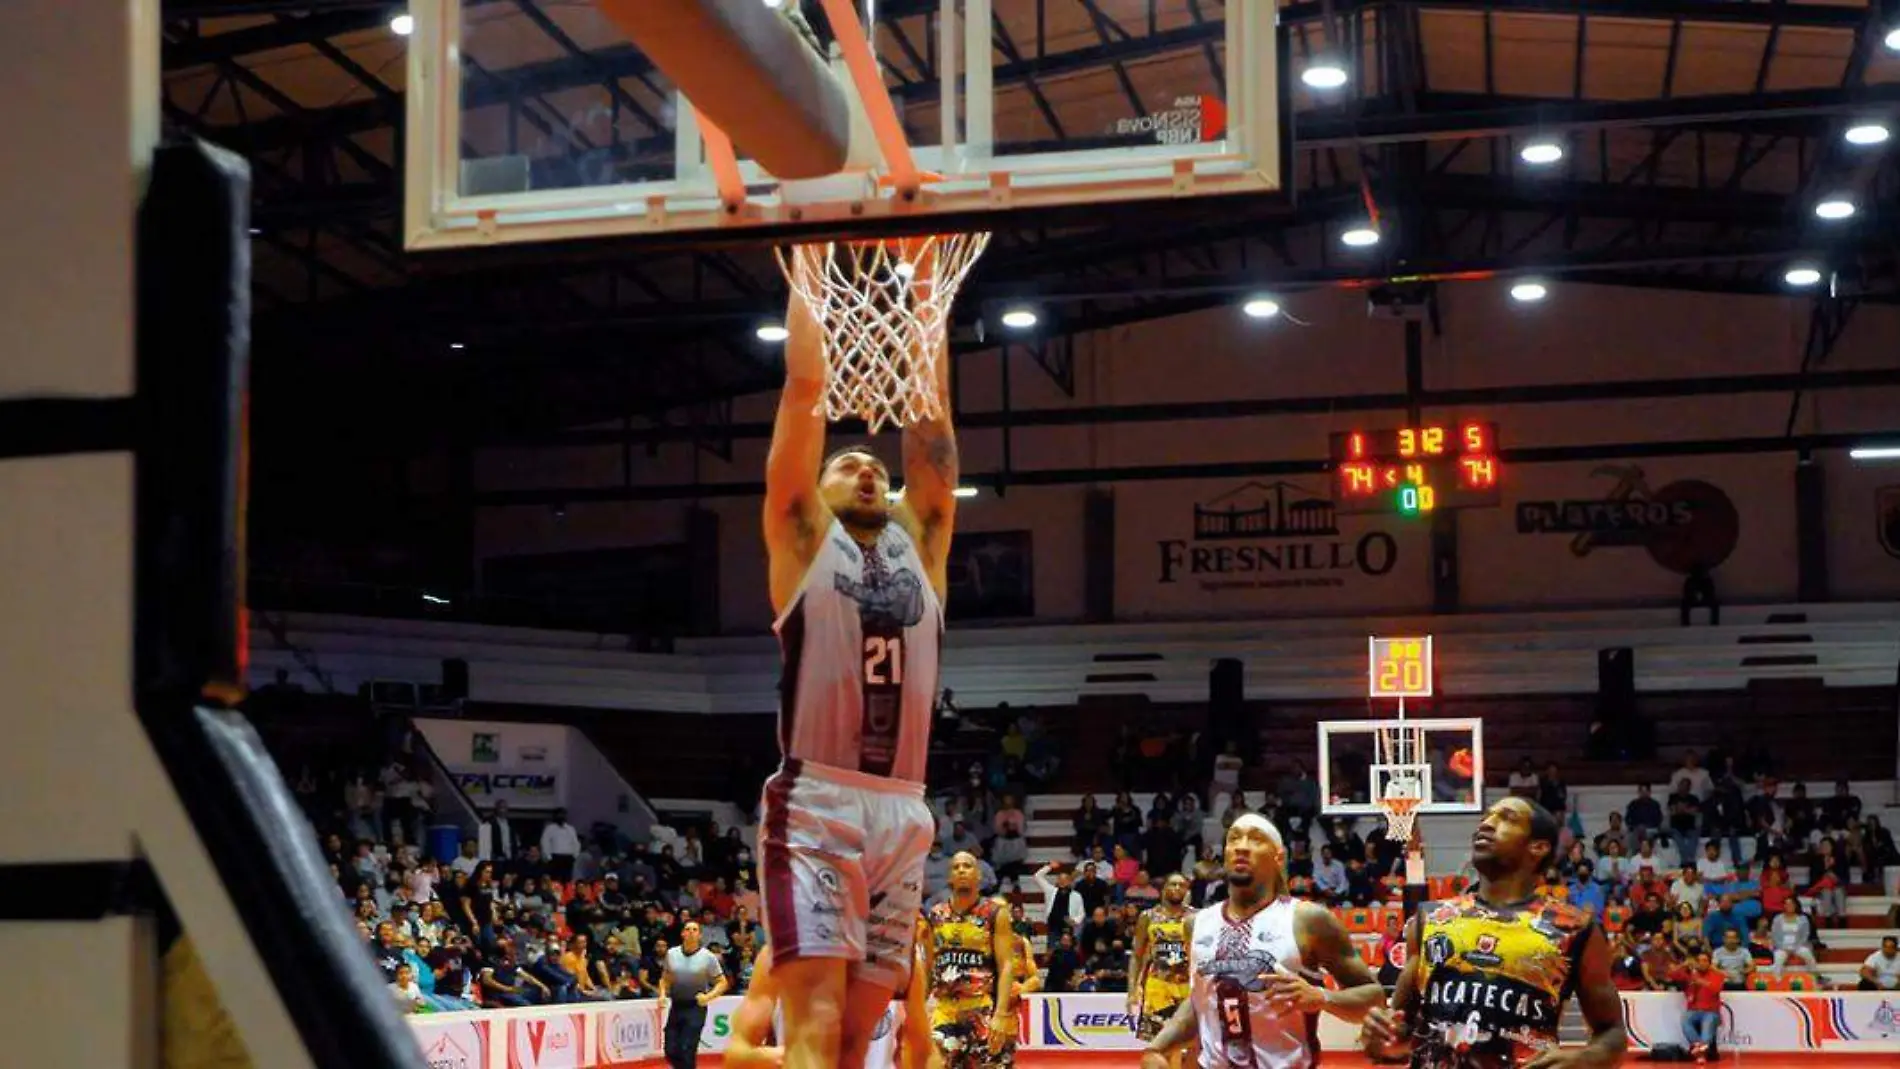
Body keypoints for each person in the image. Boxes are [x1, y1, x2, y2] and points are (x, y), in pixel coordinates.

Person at [756, 244, 959, 1069]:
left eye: (877, 468)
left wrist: (922, 291)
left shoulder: (922, 543)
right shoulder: (802, 535)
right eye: (849, 463)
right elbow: (805, 391)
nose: (869, 471)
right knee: (812, 1024)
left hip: (904, 809)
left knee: (854, 1038)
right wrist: (809, 274)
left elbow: (931, 427)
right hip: (820, 802)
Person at [1364, 796, 1629, 1069]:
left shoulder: (1574, 928)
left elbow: (1613, 1033)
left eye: (1507, 818)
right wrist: (1381, 1037)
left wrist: (1584, 1059)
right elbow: (1401, 1028)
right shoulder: (1430, 918)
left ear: (1538, 847)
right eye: (1486, 817)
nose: (1487, 824)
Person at [1139, 814, 1386, 1069]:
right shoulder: (1197, 924)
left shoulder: (1307, 919)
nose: (1242, 846)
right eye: (1234, 838)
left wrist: (1323, 998)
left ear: (1278, 858)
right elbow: (1200, 999)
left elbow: (1374, 996)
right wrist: (1156, 1048)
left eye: (1256, 839)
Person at [725, 942, 931, 1069]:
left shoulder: (901, 957)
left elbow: (923, 1051)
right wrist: (774, 1057)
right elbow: (736, 1053)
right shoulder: (778, 954)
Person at [919, 852, 1017, 1067]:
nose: (962, 870)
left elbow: (1007, 965)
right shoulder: (935, 915)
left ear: (979, 875)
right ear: (949, 878)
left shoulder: (995, 913)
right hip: (944, 1012)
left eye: (967, 866)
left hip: (982, 1010)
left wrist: (1001, 1014)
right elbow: (927, 968)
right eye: (956, 867)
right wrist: (919, 1010)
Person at [1130, 874, 1195, 1062]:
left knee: (1189, 1043)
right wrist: (1132, 989)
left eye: (1182, 885)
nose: (1177, 888)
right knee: (1160, 1043)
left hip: (1187, 986)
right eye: (1173, 884)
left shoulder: (1196, 916)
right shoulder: (1147, 917)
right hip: (1157, 987)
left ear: (1187, 890)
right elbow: (1136, 955)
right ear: (1163, 888)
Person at [659, 920, 730, 1069]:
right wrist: (662, 994)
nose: (691, 932)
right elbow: (665, 978)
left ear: (700, 935)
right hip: (676, 1007)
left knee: (687, 1049)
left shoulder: (708, 957)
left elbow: (722, 982)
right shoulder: (672, 954)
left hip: (695, 1008)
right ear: (682, 933)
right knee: (670, 1050)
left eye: (695, 929)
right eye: (688, 929)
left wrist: (708, 997)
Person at [1669, 949, 1726, 1062]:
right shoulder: (1690, 974)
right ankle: (1699, 1047)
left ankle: (1700, 1052)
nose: (1702, 963)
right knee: (1685, 1019)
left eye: (1705, 961)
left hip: (1711, 1011)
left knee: (1707, 1023)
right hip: (1693, 1010)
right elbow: (1672, 975)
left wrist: (1700, 981)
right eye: (1699, 961)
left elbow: (1716, 989)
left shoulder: (1717, 975)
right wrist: (1683, 965)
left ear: (1709, 963)